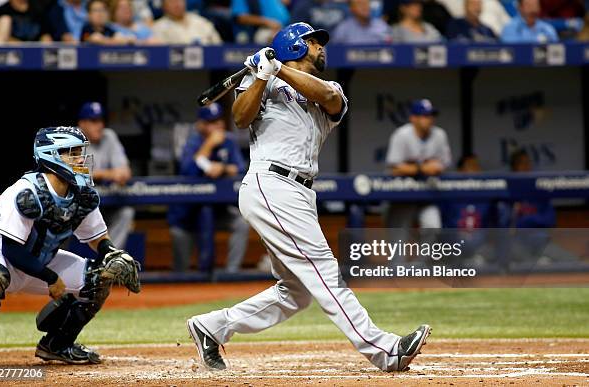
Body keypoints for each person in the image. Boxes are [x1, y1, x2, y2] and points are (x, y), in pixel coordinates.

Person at [186, 22, 431, 372]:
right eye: (312, 42)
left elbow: (329, 99)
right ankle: (384, 349)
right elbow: (240, 118)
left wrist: (278, 68)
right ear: (294, 46)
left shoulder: (329, 88)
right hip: (270, 184)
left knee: (296, 293)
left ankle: (211, 327)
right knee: (324, 270)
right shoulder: (261, 81)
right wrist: (259, 76)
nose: (320, 47)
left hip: (300, 192)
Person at [0, 126, 140, 363]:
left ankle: (57, 345)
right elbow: (11, 249)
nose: (81, 159)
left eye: (80, 152)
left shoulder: (82, 194)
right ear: (50, 155)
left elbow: (97, 239)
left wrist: (112, 253)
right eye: (72, 153)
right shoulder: (26, 192)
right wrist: (51, 278)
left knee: (100, 277)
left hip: (39, 260)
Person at [168, 103, 249, 273]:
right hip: (189, 212)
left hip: (219, 209)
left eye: (219, 120)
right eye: (211, 121)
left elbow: (240, 168)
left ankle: (231, 274)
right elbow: (187, 170)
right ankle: (182, 285)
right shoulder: (192, 141)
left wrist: (224, 169)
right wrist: (209, 145)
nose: (218, 125)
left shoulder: (228, 140)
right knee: (181, 268)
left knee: (241, 223)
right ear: (201, 124)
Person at [384, 99, 452, 229]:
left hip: (428, 193)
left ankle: (425, 251)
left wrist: (412, 167)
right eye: (425, 116)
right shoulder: (401, 135)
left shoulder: (439, 135)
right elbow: (394, 168)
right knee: (398, 240)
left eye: (431, 115)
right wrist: (422, 168)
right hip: (402, 194)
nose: (430, 119)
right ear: (413, 118)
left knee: (433, 227)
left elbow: (444, 164)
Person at [77, 102, 135, 250]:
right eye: (93, 121)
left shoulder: (109, 136)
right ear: (82, 123)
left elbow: (125, 171)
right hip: (80, 203)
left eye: (101, 120)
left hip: (106, 201)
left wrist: (120, 175)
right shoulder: (73, 138)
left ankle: (110, 257)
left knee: (126, 212)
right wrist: (108, 174)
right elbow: (74, 173)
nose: (99, 125)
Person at [152, 0, 222, 44]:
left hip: (208, 65)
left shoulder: (201, 21)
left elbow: (218, 44)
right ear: (164, 6)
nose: (177, 4)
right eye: (172, 2)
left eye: (180, 1)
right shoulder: (158, 27)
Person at [438, 0, 510, 35]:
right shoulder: (455, 25)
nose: (476, 8)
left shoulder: (487, 29)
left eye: (478, 5)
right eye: (473, 5)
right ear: (465, 7)